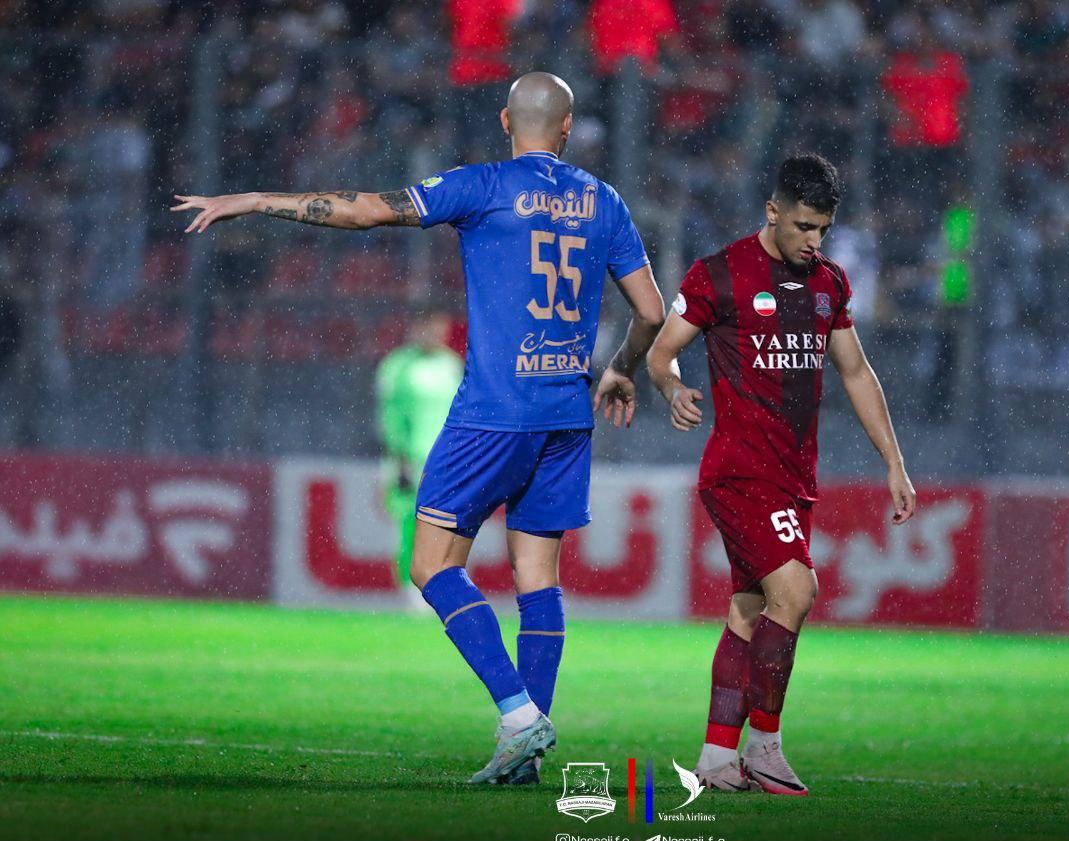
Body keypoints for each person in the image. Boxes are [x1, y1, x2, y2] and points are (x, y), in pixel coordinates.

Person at [173, 72, 666, 782]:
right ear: (567, 128)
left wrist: (255, 201)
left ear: (505, 121)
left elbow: (366, 211)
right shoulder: (604, 199)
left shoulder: (483, 185)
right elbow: (650, 312)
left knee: (433, 565)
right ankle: (524, 752)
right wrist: (621, 368)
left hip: (494, 411)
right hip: (566, 412)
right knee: (537, 578)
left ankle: (519, 716)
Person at [646, 154, 917, 795]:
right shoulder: (720, 273)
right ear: (773, 212)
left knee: (749, 609)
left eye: (823, 229)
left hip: (794, 475)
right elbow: (661, 353)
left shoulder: (829, 283)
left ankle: (716, 758)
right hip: (740, 471)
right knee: (795, 592)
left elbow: (856, 372)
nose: (814, 241)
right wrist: (673, 388)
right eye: (803, 227)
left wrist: (894, 462)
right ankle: (764, 747)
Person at [375, 312, 463, 605]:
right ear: (417, 328)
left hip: (447, 460)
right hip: (411, 459)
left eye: (439, 329)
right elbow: (390, 415)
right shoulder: (398, 365)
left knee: (449, 526)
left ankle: (443, 584)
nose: (434, 335)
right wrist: (398, 455)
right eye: (428, 328)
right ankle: (410, 588)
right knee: (411, 524)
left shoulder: (451, 365)